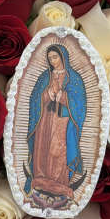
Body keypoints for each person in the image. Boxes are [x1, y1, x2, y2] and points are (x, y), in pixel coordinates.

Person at [25, 44, 86, 208]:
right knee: (42, 146)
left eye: (55, 57)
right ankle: (40, 177)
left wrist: (64, 97)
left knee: (57, 149)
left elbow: (80, 102)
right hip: (45, 118)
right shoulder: (45, 77)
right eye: (50, 58)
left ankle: (59, 181)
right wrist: (46, 94)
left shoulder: (73, 78)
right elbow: (35, 98)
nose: (52, 61)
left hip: (62, 120)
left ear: (63, 57)